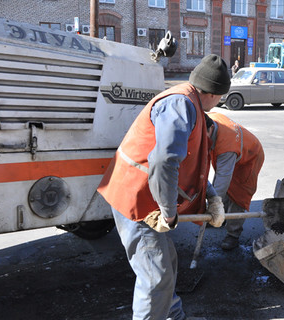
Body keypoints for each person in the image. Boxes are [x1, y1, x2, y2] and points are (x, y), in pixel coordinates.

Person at [97, 54, 231, 320]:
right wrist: (169, 212)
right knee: (156, 275)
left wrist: (212, 198)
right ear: (215, 94)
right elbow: (164, 160)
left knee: (166, 261)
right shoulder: (182, 105)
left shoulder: (189, 105)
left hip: (144, 197)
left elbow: (194, 165)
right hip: (135, 200)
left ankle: (174, 316)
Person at [205, 112, 265, 250]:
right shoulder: (209, 119)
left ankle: (233, 234)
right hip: (233, 152)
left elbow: (222, 181)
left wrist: (212, 205)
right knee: (222, 190)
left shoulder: (226, 147)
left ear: (211, 129)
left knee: (238, 196)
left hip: (250, 158)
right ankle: (220, 217)